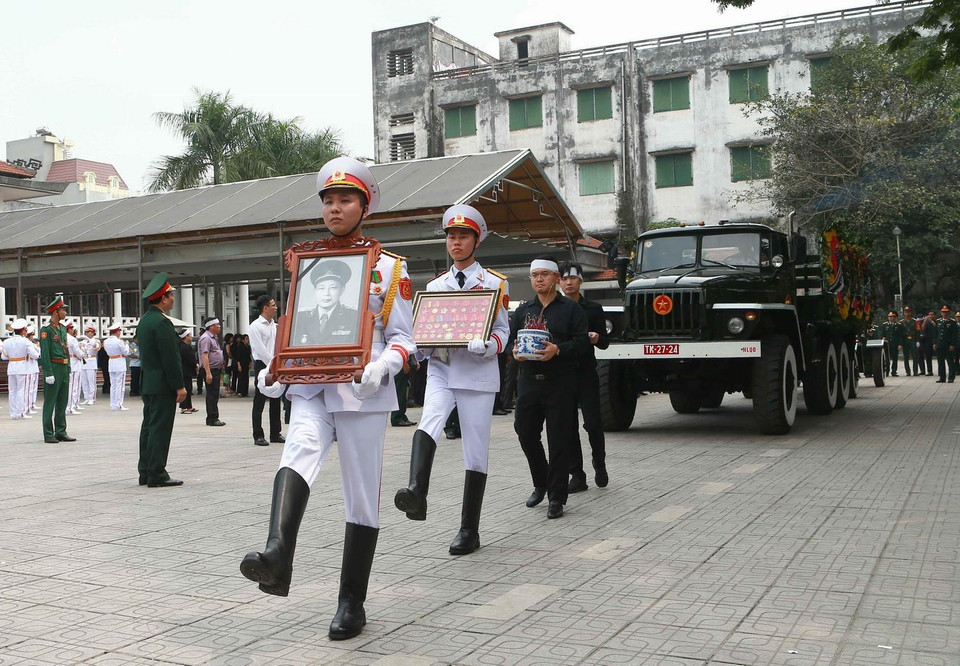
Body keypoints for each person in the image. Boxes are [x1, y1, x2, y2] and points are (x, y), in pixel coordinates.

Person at [241, 156, 416, 641]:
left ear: (365, 205)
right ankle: (277, 555)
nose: (335, 208)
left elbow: (405, 338)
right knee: (296, 452)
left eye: (345, 200)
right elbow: (298, 329)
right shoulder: (308, 262)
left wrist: (383, 366)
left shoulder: (387, 268)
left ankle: (351, 603)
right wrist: (274, 372)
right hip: (312, 388)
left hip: (363, 390)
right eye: (328, 200)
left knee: (361, 495)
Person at [394, 204, 510, 555]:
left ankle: (468, 530)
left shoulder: (493, 282)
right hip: (443, 368)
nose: (456, 242)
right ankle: (416, 491)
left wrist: (488, 345)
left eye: (463, 236)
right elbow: (424, 336)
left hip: (476, 373)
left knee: (475, 452)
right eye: (451, 236)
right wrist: (420, 346)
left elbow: (504, 331)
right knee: (428, 422)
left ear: (477, 240)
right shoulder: (435, 285)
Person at [508, 255, 589, 519]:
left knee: (559, 440)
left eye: (544, 274)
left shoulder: (570, 309)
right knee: (525, 432)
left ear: (556, 277)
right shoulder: (523, 310)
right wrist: (516, 351)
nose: (539, 279)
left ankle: (556, 497)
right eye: (534, 275)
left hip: (560, 383)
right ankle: (541, 481)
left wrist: (558, 349)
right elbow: (511, 342)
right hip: (529, 381)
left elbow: (582, 344)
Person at [558, 260, 610, 492]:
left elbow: (606, 344)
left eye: (573, 278)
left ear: (581, 280)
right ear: (559, 281)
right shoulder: (555, 309)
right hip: (563, 374)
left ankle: (600, 464)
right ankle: (577, 475)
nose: (569, 282)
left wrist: (598, 338)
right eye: (564, 278)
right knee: (567, 426)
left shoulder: (593, 309)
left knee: (593, 423)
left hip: (587, 372)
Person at [136, 273, 188, 487]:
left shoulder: (144, 321)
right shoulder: (162, 323)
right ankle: (157, 473)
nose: (173, 299)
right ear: (163, 298)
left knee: (148, 428)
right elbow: (170, 359)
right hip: (163, 385)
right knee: (160, 429)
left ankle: (145, 471)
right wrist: (180, 386)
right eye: (171, 296)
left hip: (148, 383)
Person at [291, 260, 358, 346]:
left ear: (342, 289)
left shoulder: (353, 316)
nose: (326, 293)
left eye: (333, 288)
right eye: (321, 288)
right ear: (315, 290)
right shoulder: (300, 318)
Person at [38, 296, 76, 443]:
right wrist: (48, 372)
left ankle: (61, 431)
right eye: (63, 310)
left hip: (63, 366)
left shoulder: (62, 328)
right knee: (50, 402)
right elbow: (45, 352)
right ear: (55, 311)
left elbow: (65, 348)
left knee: (62, 401)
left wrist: (68, 367)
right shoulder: (46, 330)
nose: (65, 313)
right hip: (53, 367)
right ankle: (48, 433)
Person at [249, 295, 284, 447]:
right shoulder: (255, 326)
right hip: (262, 365)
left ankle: (275, 432)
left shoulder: (275, 326)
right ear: (265, 308)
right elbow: (259, 349)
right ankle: (258, 434)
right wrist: (271, 363)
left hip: (274, 364)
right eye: (273, 305)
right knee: (259, 399)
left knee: (276, 397)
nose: (276, 307)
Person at [3, 318, 39, 419]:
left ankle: (13, 413)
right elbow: (35, 355)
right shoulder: (25, 341)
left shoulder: (6, 342)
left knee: (12, 391)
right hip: (22, 367)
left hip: (11, 367)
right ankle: (21, 412)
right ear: (23, 330)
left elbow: (3, 357)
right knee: (21, 391)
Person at [198, 317, 226, 426]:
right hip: (210, 370)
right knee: (212, 394)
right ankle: (213, 418)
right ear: (211, 326)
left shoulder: (213, 337)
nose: (219, 326)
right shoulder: (206, 338)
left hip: (215, 369)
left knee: (214, 393)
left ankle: (212, 417)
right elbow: (204, 355)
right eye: (217, 324)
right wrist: (208, 372)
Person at [104, 321, 130, 410]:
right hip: (119, 363)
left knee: (113, 385)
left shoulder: (106, 341)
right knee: (120, 385)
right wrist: (126, 345)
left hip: (111, 362)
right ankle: (118, 404)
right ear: (118, 332)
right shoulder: (119, 342)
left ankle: (113, 403)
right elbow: (126, 352)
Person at [391, 355, 419, 427]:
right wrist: (403, 363)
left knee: (403, 391)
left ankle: (401, 416)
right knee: (399, 391)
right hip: (400, 361)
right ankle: (397, 417)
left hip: (404, 360)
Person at [933, 305, 959, 383]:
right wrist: (934, 343)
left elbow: (954, 335)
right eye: (943, 312)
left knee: (950, 362)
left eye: (946, 312)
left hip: (948, 345)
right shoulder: (938, 321)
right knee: (940, 362)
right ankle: (942, 377)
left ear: (949, 312)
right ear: (941, 313)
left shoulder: (953, 322)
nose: (945, 314)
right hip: (940, 344)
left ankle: (951, 377)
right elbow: (935, 334)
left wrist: (952, 344)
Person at [64, 320, 84, 415]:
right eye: (72, 328)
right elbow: (78, 352)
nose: (73, 330)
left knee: (70, 386)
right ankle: (70, 407)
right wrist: (83, 354)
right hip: (74, 363)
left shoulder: (63, 337)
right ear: (69, 329)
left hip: (67, 362)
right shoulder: (72, 339)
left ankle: (71, 405)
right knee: (73, 386)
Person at [178, 329, 199, 414]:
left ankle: (189, 406)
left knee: (189, 388)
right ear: (185, 337)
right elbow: (190, 359)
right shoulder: (183, 347)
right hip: (184, 370)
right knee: (185, 388)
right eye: (190, 335)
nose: (191, 336)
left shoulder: (187, 346)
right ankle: (183, 407)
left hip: (187, 370)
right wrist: (195, 365)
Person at [80, 325, 100, 404]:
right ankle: (86, 397)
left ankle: (92, 398)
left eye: (89, 332)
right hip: (84, 361)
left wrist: (89, 340)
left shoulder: (96, 341)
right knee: (84, 381)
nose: (87, 333)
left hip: (91, 361)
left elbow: (97, 348)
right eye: (87, 332)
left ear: (93, 333)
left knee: (91, 381)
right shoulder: (83, 342)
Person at [880, 311, 903, 377]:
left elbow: (900, 336)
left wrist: (900, 344)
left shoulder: (899, 325)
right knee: (886, 358)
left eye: (893, 317)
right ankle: (886, 371)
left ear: (895, 317)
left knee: (895, 358)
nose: (891, 318)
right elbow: (882, 333)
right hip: (887, 344)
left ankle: (894, 371)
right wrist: (882, 338)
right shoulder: (885, 325)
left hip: (895, 344)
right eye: (890, 317)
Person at [900, 306, 919, 376]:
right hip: (905, 340)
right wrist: (901, 343)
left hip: (913, 340)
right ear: (904, 313)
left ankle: (915, 371)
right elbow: (900, 334)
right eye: (906, 312)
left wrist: (918, 341)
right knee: (906, 357)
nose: (907, 313)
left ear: (911, 312)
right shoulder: (901, 322)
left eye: (908, 312)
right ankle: (908, 371)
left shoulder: (915, 321)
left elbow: (918, 331)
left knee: (915, 356)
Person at [918, 311, 935, 376]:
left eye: (932, 315)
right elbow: (923, 328)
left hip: (929, 340)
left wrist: (930, 321)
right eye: (929, 315)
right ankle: (922, 370)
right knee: (920, 355)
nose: (930, 316)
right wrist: (925, 321)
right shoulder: (923, 322)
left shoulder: (935, 321)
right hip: (922, 340)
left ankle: (930, 371)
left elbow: (935, 327)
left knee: (928, 356)